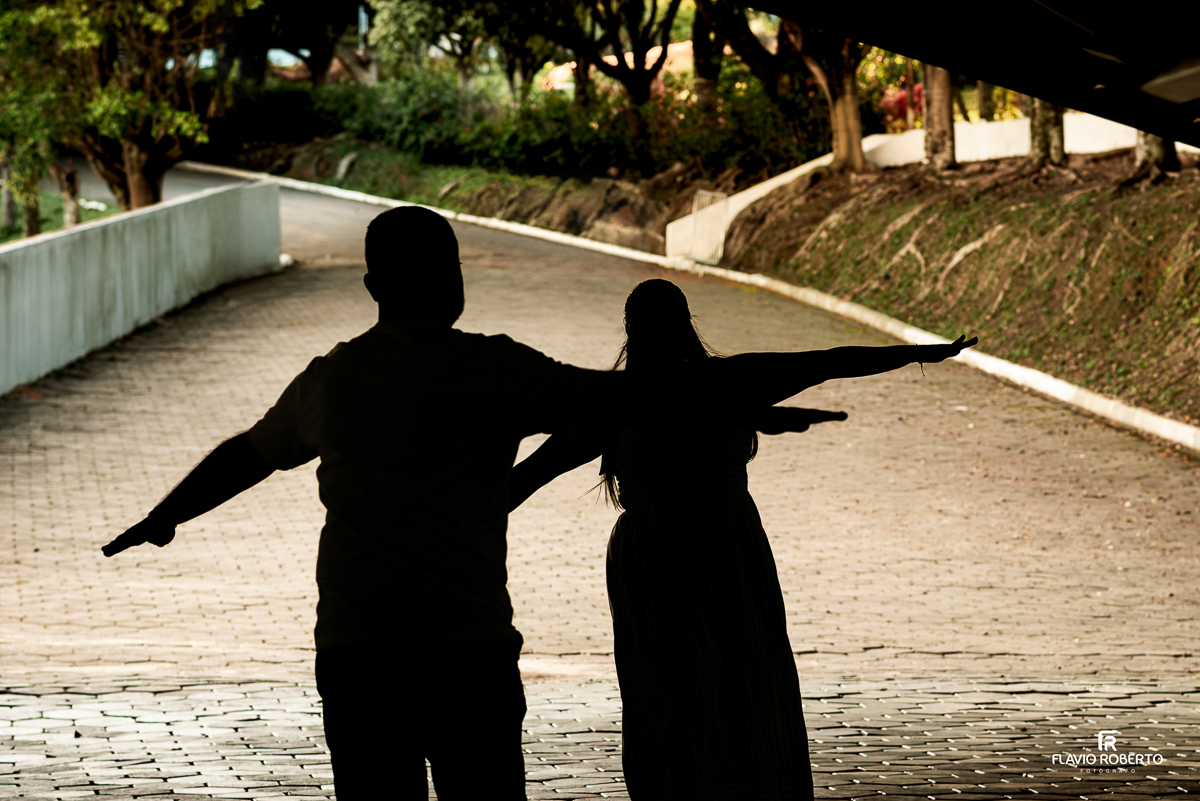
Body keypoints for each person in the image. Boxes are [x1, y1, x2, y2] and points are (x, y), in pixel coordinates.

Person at [103, 207, 975, 799]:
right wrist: (779, 391)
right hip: (466, 650)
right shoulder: (497, 370)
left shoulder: (333, 381)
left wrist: (169, 512)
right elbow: (642, 400)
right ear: (452, 280)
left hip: (359, 650)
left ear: (373, 289)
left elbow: (245, 457)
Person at [508, 279, 978, 800]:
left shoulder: (636, 398)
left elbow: (523, 480)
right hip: (711, 548)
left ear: (631, 331)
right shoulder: (707, 384)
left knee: (693, 681)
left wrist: (922, 353)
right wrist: (921, 353)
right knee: (728, 675)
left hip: (682, 552)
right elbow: (829, 360)